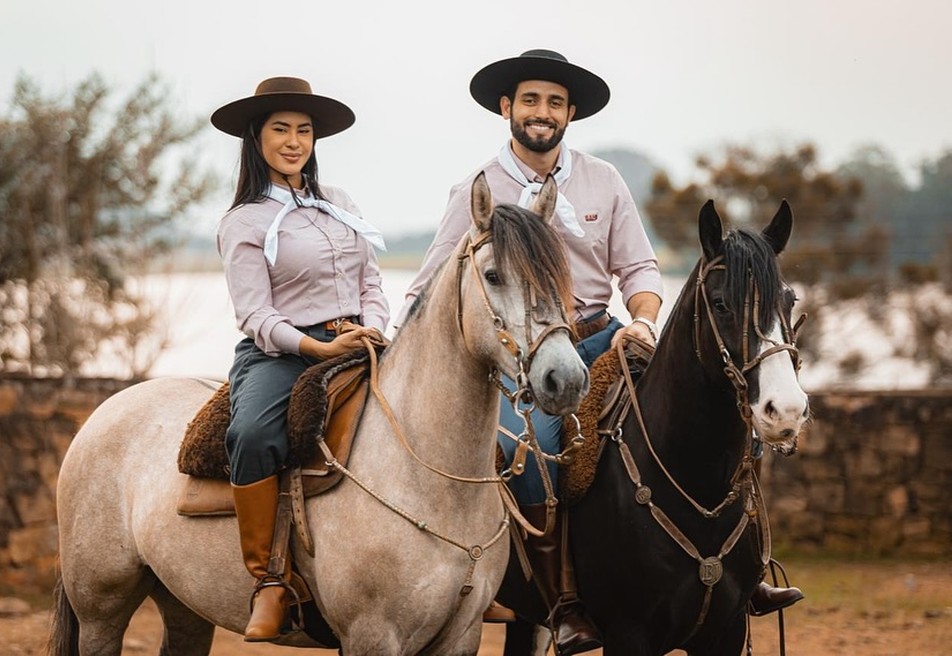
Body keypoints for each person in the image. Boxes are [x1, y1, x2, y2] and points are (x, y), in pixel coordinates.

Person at [398, 49, 799, 655]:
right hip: (520, 353)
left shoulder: (602, 181)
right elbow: (430, 285)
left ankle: (747, 572)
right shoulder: (477, 191)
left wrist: (640, 321)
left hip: (601, 334)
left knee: (718, 421)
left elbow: (638, 268)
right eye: (530, 100)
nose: (542, 112)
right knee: (529, 450)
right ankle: (562, 601)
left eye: (555, 102)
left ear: (570, 113)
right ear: (507, 108)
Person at [211, 76, 390, 642]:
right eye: (281, 129)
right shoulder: (243, 221)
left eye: (304, 131)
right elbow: (255, 316)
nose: (294, 141)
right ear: (256, 137)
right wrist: (316, 347)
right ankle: (269, 579)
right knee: (252, 435)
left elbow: (372, 282)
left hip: (358, 340)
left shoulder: (342, 204)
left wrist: (374, 329)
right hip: (283, 353)